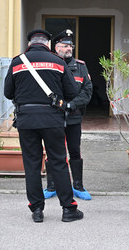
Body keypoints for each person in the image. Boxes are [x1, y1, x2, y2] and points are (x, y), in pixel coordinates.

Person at [4, 29, 84, 223]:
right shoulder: (58, 62)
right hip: (52, 119)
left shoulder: (17, 62)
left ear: (30, 43)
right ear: (48, 44)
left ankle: (37, 210)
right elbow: (72, 91)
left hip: (26, 119)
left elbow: (8, 93)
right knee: (58, 161)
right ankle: (68, 209)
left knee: (32, 164)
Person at [43, 29, 93, 200]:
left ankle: (77, 185)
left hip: (73, 116)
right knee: (52, 151)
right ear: (56, 48)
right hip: (53, 117)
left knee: (75, 151)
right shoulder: (49, 64)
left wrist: (71, 105)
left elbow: (87, 91)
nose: (69, 48)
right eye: (65, 45)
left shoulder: (80, 66)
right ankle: (51, 186)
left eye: (70, 45)